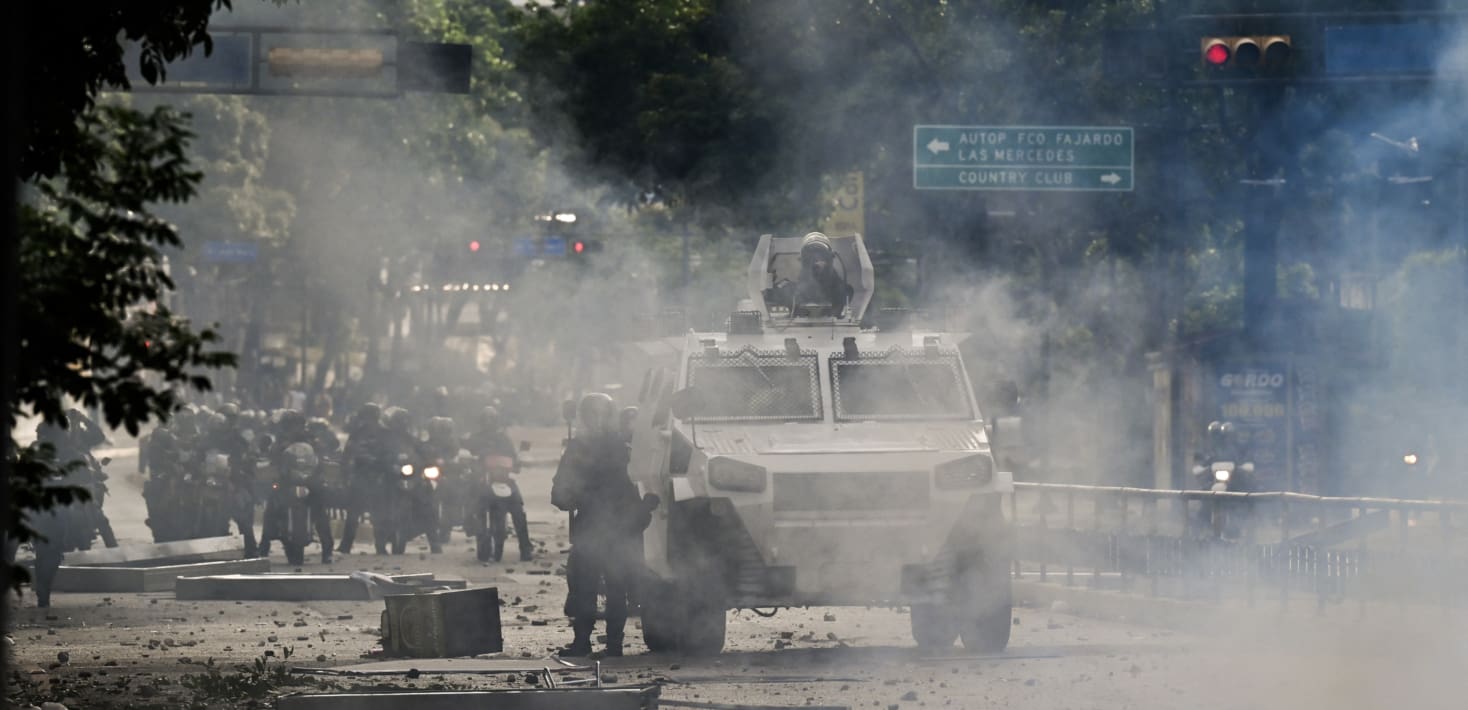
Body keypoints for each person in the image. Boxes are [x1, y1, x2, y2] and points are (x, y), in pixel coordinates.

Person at [552, 393, 650, 657]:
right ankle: (611, 646)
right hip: (613, 527)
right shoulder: (621, 446)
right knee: (612, 586)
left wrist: (568, 496)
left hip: (595, 526)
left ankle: (586, 642)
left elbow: (561, 490)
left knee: (588, 586)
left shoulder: (581, 446)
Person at [463, 406, 531, 562]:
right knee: (474, 502)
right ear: (481, 421)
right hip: (483, 479)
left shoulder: (503, 439)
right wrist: (470, 462)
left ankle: (525, 547)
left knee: (518, 511)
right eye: (486, 419)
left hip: (504, 479)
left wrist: (517, 463)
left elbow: (513, 457)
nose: (489, 422)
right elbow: (465, 455)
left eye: (492, 419)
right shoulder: (475, 438)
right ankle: (473, 527)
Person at [338, 403, 384, 555]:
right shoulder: (358, 433)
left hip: (378, 477)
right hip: (362, 477)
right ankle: (346, 546)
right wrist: (345, 473)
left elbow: (392, 453)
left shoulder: (385, 433)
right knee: (354, 514)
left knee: (377, 514)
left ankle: (380, 546)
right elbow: (348, 455)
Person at [790, 232, 851, 315]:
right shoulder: (793, 289)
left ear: (830, 259)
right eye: (811, 257)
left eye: (822, 256)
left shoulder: (842, 289)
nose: (817, 262)